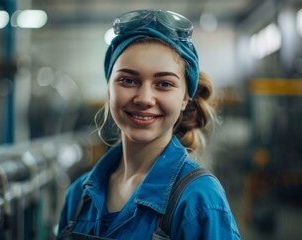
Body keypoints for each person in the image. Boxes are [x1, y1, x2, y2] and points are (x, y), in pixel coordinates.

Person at [57, 9, 240, 239]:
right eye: (128, 80)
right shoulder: (79, 197)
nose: (144, 98)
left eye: (164, 84)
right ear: (109, 89)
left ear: (185, 98)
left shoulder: (198, 200)